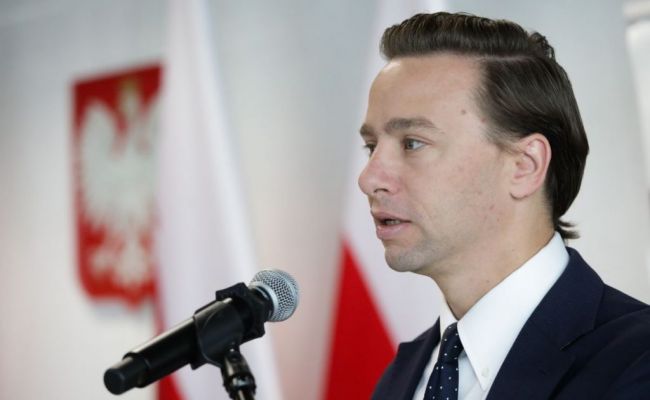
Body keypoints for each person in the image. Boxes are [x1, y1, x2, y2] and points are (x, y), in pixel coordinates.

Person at [359, 12, 650, 400]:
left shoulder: (636, 362)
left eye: (412, 143)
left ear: (524, 166)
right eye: (371, 147)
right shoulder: (401, 376)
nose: (369, 178)